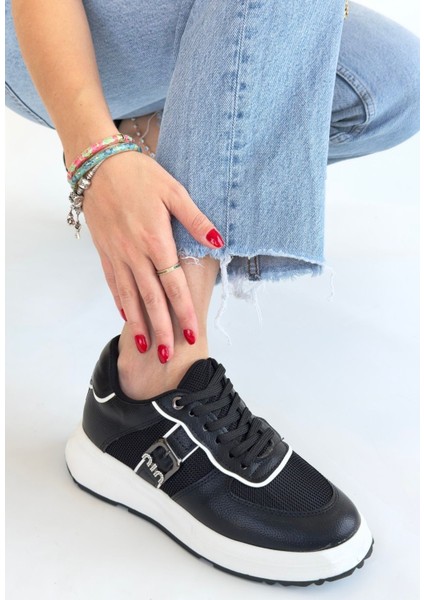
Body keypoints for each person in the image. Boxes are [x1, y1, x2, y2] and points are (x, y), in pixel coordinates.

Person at [6, 0, 419, 586]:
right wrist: (93, 153)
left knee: (395, 81)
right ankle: (156, 372)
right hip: (47, 33)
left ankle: (156, 154)